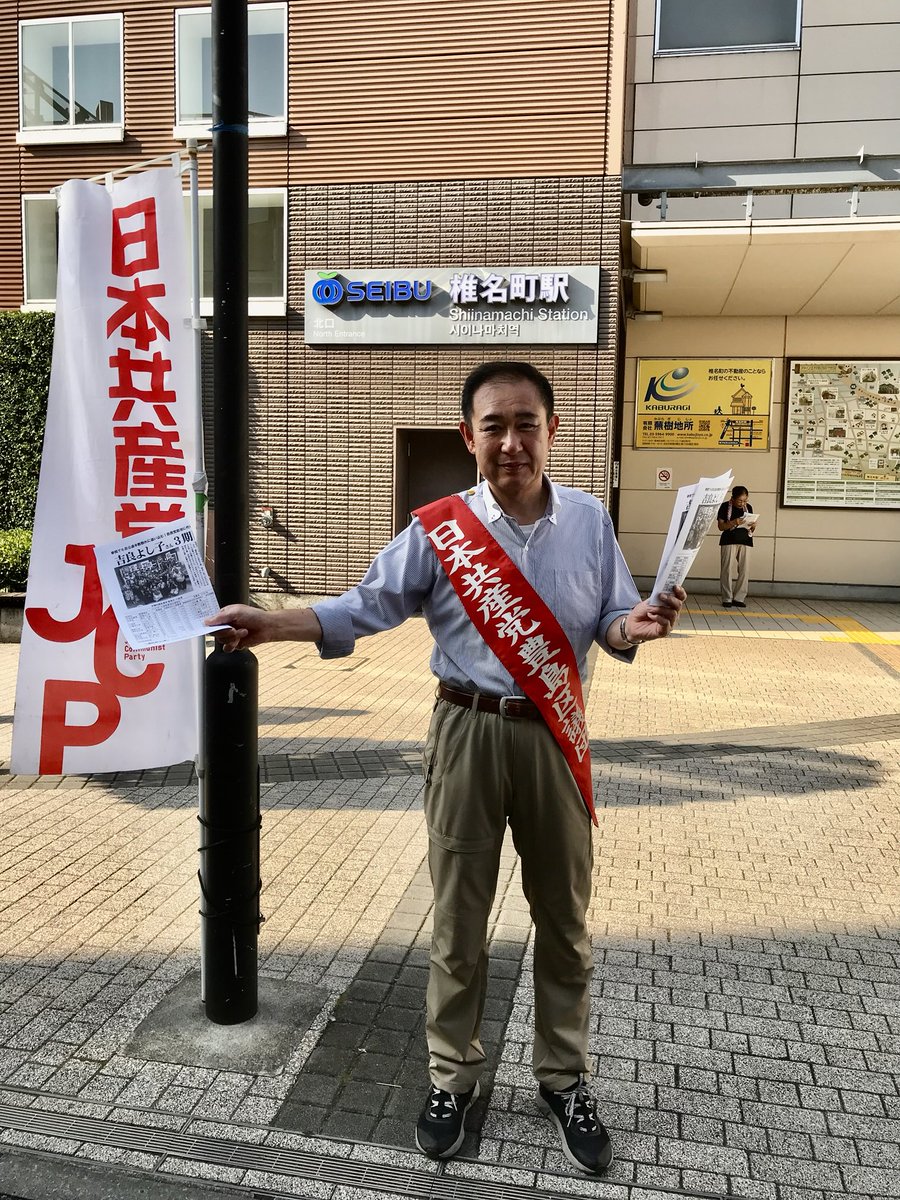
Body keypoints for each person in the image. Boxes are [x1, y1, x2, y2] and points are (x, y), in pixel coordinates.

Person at [207, 362, 685, 1176]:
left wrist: (630, 627)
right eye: (494, 425)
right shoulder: (440, 531)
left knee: (564, 921)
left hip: (553, 735)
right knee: (459, 923)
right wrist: (272, 623)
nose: (511, 441)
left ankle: (564, 1079)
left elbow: (612, 617)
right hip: (466, 730)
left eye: (526, 423)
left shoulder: (588, 521)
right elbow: (365, 606)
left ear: (552, 430)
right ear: (469, 437)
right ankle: (451, 1078)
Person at [717, 485, 754, 608]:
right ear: (732, 498)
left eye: (745, 500)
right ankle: (727, 598)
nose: (742, 503)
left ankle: (739, 598)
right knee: (727, 569)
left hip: (745, 540)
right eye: (740, 501)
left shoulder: (748, 507)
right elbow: (721, 527)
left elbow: (750, 527)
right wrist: (733, 522)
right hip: (729, 540)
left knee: (744, 570)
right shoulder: (724, 506)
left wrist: (753, 526)